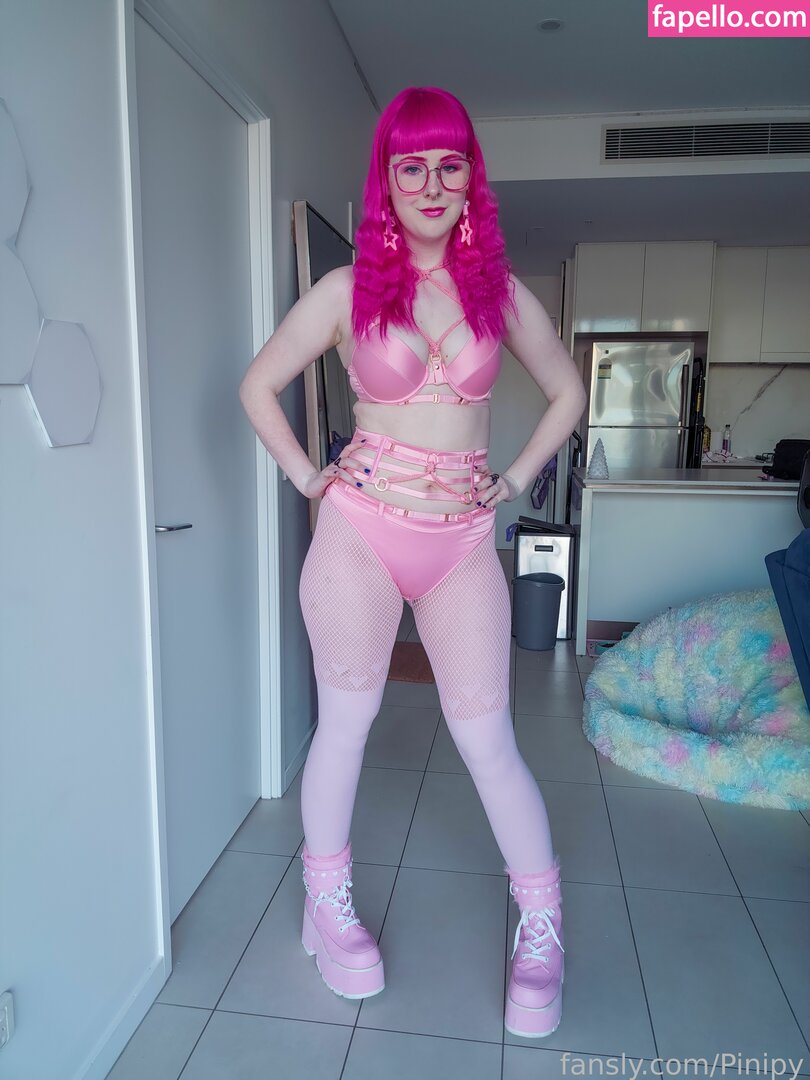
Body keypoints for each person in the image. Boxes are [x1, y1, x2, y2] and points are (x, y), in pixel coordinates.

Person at [239, 86, 587, 1039]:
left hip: (463, 542)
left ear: (471, 179)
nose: (431, 183)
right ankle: (326, 905)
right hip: (359, 532)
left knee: (488, 742)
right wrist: (308, 475)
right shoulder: (344, 290)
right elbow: (259, 385)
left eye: (449, 164)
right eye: (411, 166)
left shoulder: (498, 293)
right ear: (386, 181)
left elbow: (567, 391)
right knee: (346, 726)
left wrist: (515, 477)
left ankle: (543, 928)